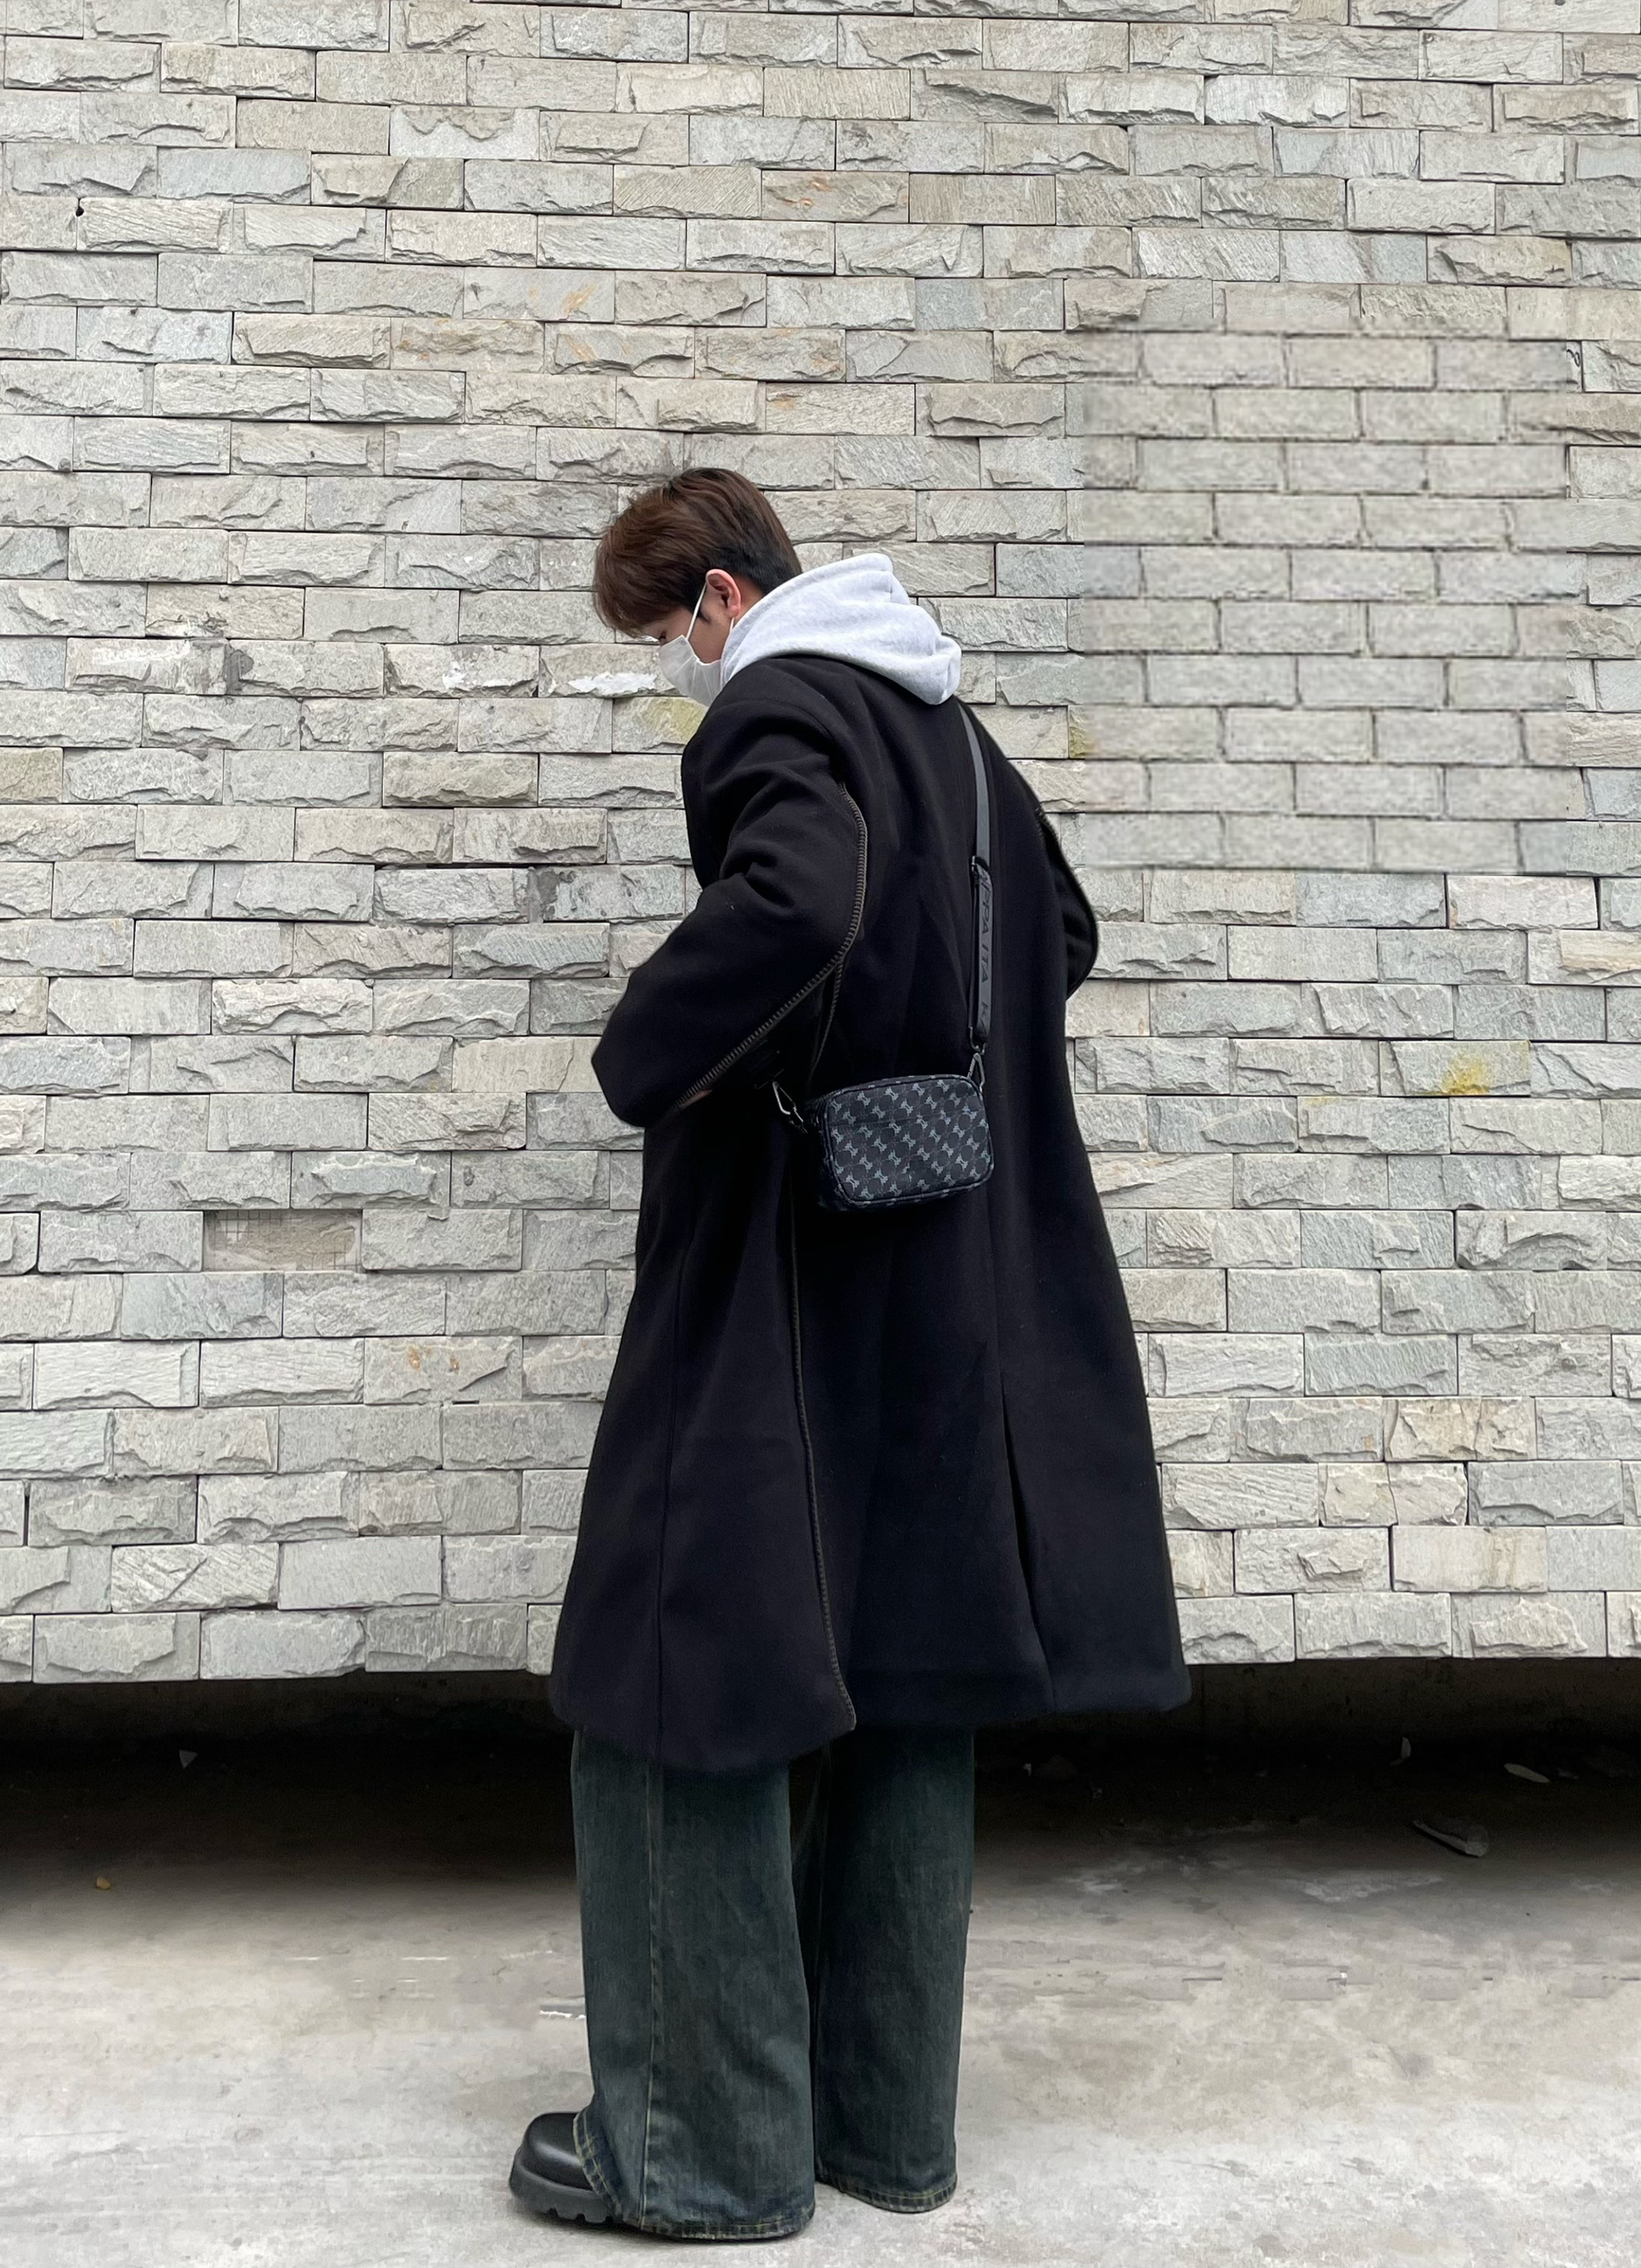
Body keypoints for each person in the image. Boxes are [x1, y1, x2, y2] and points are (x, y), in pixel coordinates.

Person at [508, 470, 1187, 2240]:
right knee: (903, 1666)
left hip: (785, 1271)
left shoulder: (778, 705)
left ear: (723, 598)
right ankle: (881, 2125)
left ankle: (700, 2152)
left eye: (666, 634)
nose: (673, 670)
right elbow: (1059, 934)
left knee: (676, 1666)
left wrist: (642, 1052)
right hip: (945, 1281)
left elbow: (799, 903)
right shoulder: (950, 731)